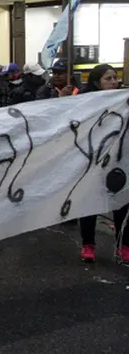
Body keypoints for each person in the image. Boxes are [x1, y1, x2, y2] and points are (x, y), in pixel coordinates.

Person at [77, 64, 127, 263]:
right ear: (97, 83)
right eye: (108, 79)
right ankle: (88, 244)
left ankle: (123, 244)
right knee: (90, 203)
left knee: (122, 203)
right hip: (94, 162)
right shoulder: (85, 101)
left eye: (115, 78)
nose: (114, 82)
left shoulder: (124, 101)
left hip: (120, 161)